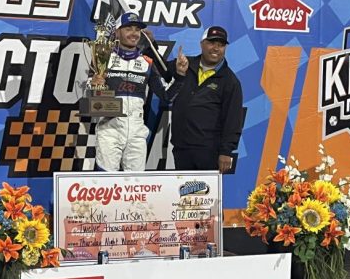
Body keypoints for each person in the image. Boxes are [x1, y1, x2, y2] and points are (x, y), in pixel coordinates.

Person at [89, 12, 184, 171]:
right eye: (128, 29)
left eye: (137, 30)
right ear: (117, 31)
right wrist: (93, 85)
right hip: (109, 130)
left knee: (135, 186)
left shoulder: (146, 63)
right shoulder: (104, 58)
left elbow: (166, 97)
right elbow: (89, 100)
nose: (134, 33)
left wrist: (180, 76)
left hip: (137, 134)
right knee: (105, 185)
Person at [145, 26, 243, 173]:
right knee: (183, 195)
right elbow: (161, 70)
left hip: (210, 152)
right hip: (181, 148)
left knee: (206, 195)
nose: (216, 48)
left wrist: (226, 151)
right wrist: (151, 44)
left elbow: (233, 120)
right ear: (201, 43)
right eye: (211, 43)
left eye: (221, 45)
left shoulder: (230, 81)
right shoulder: (185, 64)